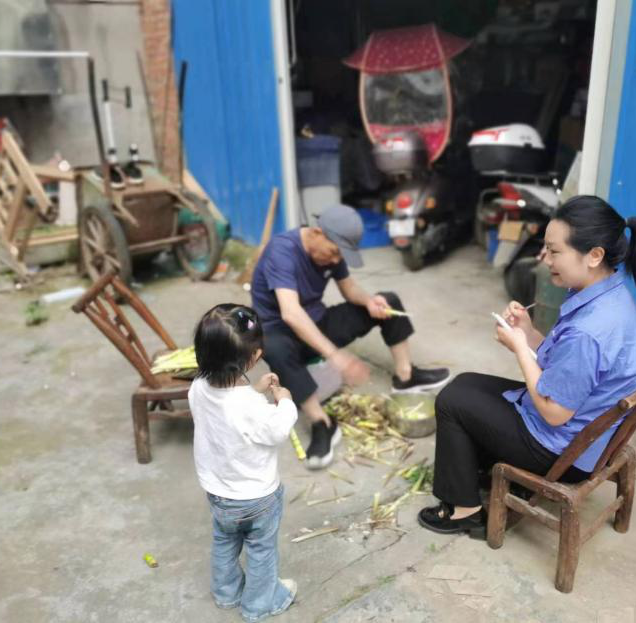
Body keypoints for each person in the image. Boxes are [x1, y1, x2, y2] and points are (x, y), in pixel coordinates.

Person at [417, 195, 636, 536]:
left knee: (452, 400)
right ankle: (478, 470)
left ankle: (464, 511)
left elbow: (554, 412)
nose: (544, 258)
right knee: (467, 383)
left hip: (561, 451)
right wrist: (529, 333)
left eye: (554, 251)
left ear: (594, 255)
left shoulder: (590, 331)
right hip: (586, 432)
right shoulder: (612, 297)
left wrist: (519, 348)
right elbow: (571, 367)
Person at [251, 204, 450, 469]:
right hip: (282, 331)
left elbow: (349, 288)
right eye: (334, 252)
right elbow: (291, 314)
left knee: (388, 301)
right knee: (272, 347)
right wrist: (335, 356)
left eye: (340, 255)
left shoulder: (334, 251)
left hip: (317, 322)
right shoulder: (282, 251)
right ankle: (321, 423)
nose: (336, 260)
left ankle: (405, 377)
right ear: (317, 232)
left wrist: (369, 302)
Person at [188, 304, 298, 621]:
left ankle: (227, 593)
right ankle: (261, 604)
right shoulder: (250, 405)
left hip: (219, 493)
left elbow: (229, 410)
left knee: (224, 541)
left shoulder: (197, 388)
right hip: (257, 498)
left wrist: (255, 390)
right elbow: (276, 430)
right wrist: (285, 402)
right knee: (261, 549)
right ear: (255, 356)